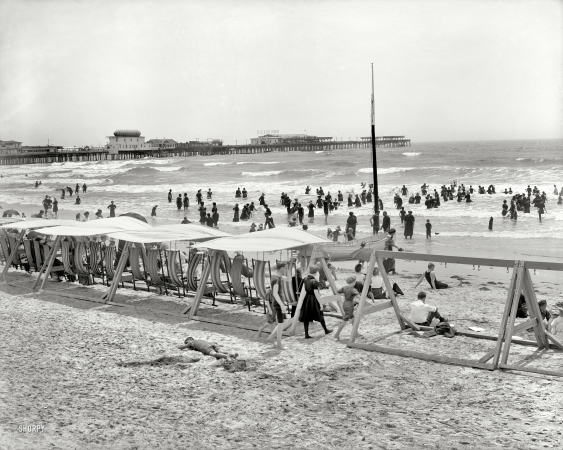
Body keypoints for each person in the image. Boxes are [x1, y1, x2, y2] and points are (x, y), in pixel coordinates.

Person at [299, 266, 332, 338]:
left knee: (306, 317)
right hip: (313, 300)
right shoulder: (314, 281)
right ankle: (326, 330)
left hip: (307, 299)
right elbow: (316, 294)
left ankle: (306, 334)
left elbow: (305, 289)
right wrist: (320, 304)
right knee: (320, 315)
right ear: (316, 272)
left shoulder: (305, 279)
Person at [333, 276, 361, 340]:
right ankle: (337, 334)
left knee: (353, 318)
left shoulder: (344, 288)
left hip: (345, 303)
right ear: (354, 282)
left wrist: (343, 296)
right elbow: (360, 297)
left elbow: (337, 292)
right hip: (349, 304)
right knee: (345, 320)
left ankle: (355, 333)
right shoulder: (353, 289)